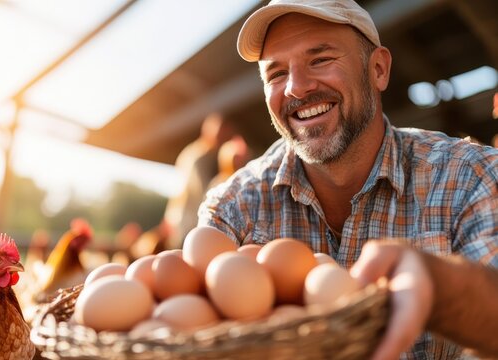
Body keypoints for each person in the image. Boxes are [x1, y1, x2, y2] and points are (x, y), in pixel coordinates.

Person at [197, 0, 498, 359]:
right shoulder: (232, 208)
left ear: (379, 70)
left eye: (320, 59)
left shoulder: (469, 176)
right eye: (276, 74)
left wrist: (442, 289)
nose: (296, 87)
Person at [164, 112, 234, 248]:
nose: (224, 139)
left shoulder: (190, 152)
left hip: (179, 219)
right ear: (208, 131)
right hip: (189, 222)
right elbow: (207, 194)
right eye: (222, 133)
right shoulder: (200, 158)